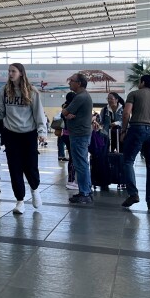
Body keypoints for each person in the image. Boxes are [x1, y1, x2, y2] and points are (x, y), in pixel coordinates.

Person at [0, 63, 46, 214]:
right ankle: (20, 200)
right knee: (15, 168)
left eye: (13, 71)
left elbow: (38, 114)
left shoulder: (32, 92)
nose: (10, 74)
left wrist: (42, 132)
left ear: (21, 73)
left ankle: (34, 190)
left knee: (30, 166)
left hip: (29, 134)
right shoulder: (5, 90)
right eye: (8, 71)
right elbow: (0, 112)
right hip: (11, 134)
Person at [119, 75, 150, 210]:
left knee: (128, 161)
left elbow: (126, 113)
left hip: (137, 128)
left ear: (143, 82)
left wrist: (123, 130)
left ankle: (133, 194)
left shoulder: (134, 94)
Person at [63, 73, 94, 205]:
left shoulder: (80, 97)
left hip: (79, 135)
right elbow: (67, 113)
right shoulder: (83, 96)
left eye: (72, 81)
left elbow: (64, 112)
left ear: (79, 83)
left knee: (80, 164)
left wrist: (67, 112)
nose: (69, 83)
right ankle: (86, 190)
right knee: (82, 163)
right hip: (81, 134)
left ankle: (84, 193)